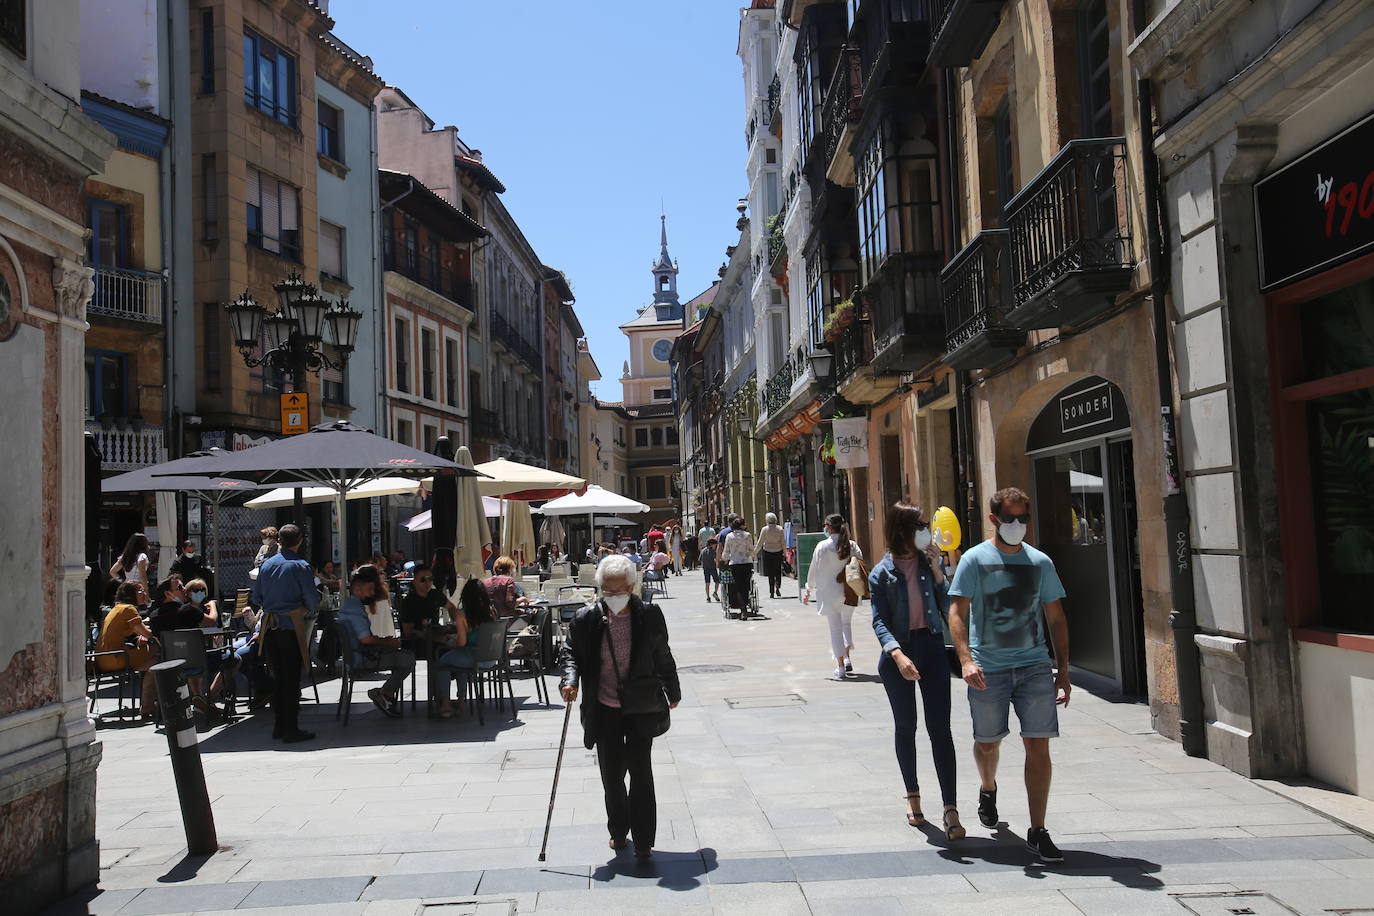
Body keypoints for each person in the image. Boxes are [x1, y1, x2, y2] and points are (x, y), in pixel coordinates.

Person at [948, 487, 1071, 864]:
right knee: (988, 743)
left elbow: (1056, 618)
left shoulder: (1040, 563)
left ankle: (1037, 831)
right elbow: (956, 612)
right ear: (994, 520)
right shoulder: (974, 559)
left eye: (1023, 519)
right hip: (989, 668)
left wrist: (1062, 671)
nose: (1018, 526)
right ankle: (988, 787)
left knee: (1039, 746)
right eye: (1010, 519)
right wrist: (966, 660)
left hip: (1034, 665)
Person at [559, 554, 681, 860]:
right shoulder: (586, 618)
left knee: (641, 773)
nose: (614, 597)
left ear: (632, 585)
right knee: (612, 776)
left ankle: (643, 841)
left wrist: (672, 688)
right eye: (607, 592)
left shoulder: (649, 615)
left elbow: (662, 654)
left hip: (641, 705)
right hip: (605, 707)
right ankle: (618, 831)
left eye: (620, 590)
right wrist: (570, 680)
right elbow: (570, 651)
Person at [870, 503, 963, 840]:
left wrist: (939, 571)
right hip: (899, 656)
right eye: (920, 524)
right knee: (906, 726)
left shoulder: (927, 566)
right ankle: (912, 796)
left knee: (941, 729)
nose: (927, 529)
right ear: (903, 529)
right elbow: (879, 620)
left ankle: (950, 807)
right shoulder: (880, 573)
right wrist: (897, 654)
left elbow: (946, 606)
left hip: (933, 650)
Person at [250, 523, 318, 742]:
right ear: (299, 541)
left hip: (270, 628)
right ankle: (290, 728)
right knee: (291, 680)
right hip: (290, 628)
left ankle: (279, 726)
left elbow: (256, 597)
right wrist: (301, 608)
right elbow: (312, 600)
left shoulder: (267, 565)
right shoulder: (300, 566)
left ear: (279, 540)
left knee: (278, 677)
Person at [338, 564, 416, 719]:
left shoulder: (349, 606)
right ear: (359, 590)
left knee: (401, 654)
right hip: (364, 658)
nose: (373, 593)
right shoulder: (356, 609)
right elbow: (365, 639)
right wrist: (387, 642)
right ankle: (385, 693)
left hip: (358, 655)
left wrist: (384, 641)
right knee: (408, 659)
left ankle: (386, 694)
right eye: (370, 589)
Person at [803, 513, 864, 680]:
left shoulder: (822, 546)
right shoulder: (852, 545)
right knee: (846, 623)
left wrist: (809, 588)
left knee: (835, 629)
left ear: (828, 527)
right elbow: (861, 565)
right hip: (850, 590)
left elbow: (813, 570)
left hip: (830, 593)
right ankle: (847, 656)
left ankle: (841, 666)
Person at [433, 578, 496, 718]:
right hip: (491, 659)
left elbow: (461, 643)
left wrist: (450, 641)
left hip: (474, 659)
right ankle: (461, 701)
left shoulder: (462, 614)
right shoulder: (490, 611)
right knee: (459, 661)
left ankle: (446, 703)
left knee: (442, 662)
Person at [95, 580, 158, 717]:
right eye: (140, 591)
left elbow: (129, 633)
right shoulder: (129, 609)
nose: (144, 594)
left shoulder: (117, 608)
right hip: (117, 658)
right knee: (157, 658)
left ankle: (149, 704)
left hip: (103, 659)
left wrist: (138, 639)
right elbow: (146, 633)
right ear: (131, 594)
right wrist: (155, 632)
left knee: (152, 657)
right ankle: (148, 706)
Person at [719, 517, 756, 617]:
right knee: (746, 586)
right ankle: (745, 607)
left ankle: (743, 610)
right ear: (742, 525)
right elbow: (751, 549)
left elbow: (726, 551)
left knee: (738, 587)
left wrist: (724, 558)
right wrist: (752, 556)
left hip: (735, 564)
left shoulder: (729, 536)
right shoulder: (747, 535)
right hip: (746, 563)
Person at [755, 512, 787, 599]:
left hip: (767, 552)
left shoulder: (764, 529)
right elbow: (783, 542)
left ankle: (771, 591)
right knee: (778, 571)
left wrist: (754, 552)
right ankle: (777, 586)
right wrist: (786, 553)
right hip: (778, 552)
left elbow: (760, 542)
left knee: (770, 572)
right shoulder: (780, 529)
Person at [700, 536, 721, 603]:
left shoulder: (703, 550)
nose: (716, 546)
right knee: (717, 581)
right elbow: (715, 559)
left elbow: (700, 559)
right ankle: (715, 592)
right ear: (712, 544)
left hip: (705, 568)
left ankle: (708, 597)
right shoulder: (712, 551)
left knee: (707, 583)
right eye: (715, 545)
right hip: (712, 568)